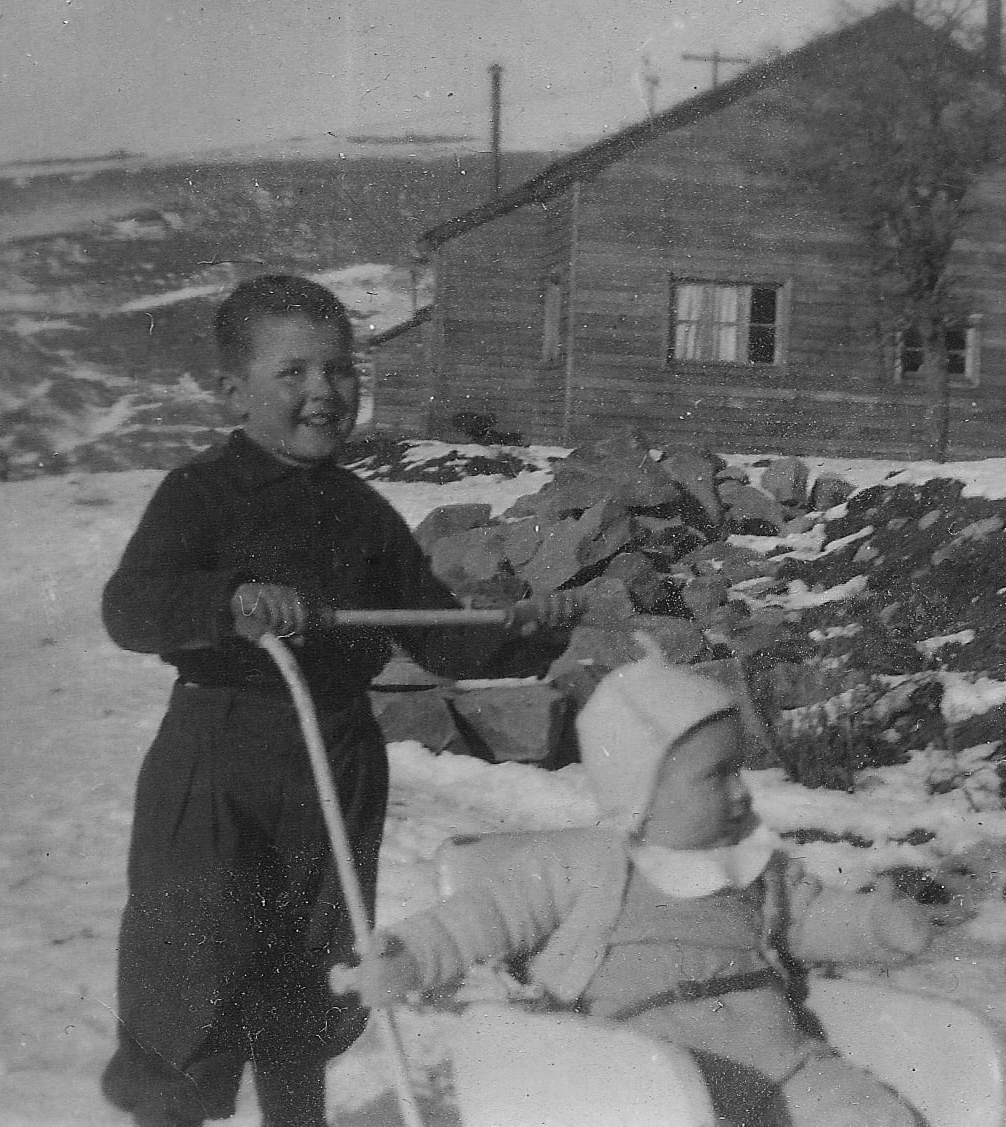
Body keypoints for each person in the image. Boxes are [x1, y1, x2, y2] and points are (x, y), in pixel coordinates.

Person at [98, 274, 579, 1127]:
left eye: (341, 370)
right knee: (192, 967)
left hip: (336, 762)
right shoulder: (199, 494)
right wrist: (230, 600)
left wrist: (528, 629)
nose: (324, 392)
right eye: (294, 373)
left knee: (311, 968)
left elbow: (434, 635)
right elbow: (130, 607)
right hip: (218, 763)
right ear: (233, 390)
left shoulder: (363, 513)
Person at [335, 638, 935, 1127]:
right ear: (639, 789)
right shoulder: (586, 862)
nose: (741, 791)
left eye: (740, 769)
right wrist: (411, 956)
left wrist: (877, 925)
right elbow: (486, 914)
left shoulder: (751, 866)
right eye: (717, 774)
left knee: (865, 1114)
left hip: (784, 1065)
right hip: (647, 1076)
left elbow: (810, 918)